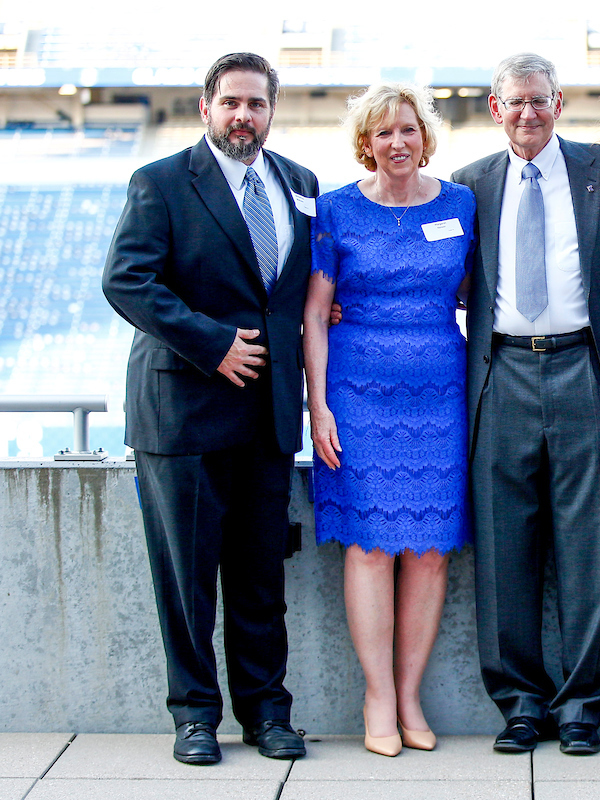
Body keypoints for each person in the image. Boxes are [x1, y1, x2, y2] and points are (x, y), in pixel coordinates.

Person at [102, 52, 316, 765]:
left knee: (260, 578)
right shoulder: (161, 182)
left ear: (271, 111)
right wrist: (213, 343)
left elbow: (290, 291)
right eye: (230, 103)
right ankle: (194, 716)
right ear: (206, 107)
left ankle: (266, 712)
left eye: (256, 104)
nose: (243, 116)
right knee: (187, 580)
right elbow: (127, 281)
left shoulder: (300, 184)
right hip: (184, 415)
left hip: (267, 420)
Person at [449, 53, 600, 756]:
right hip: (502, 371)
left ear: (560, 103)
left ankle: (583, 706)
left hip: (584, 364)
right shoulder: (470, 184)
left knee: (589, 543)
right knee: (503, 545)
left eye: (541, 100)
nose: (529, 113)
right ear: (495, 108)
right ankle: (520, 702)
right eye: (515, 102)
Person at [303, 84, 473, 757]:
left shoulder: (462, 204)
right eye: (382, 134)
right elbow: (316, 312)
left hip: (440, 394)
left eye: (407, 130)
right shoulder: (336, 209)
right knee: (369, 548)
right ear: (365, 143)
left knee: (430, 553)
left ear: (424, 135)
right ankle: (376, 696)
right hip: (357, 393)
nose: (396, 143)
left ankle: (409, 694)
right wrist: (318, 405)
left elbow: (474, 291)